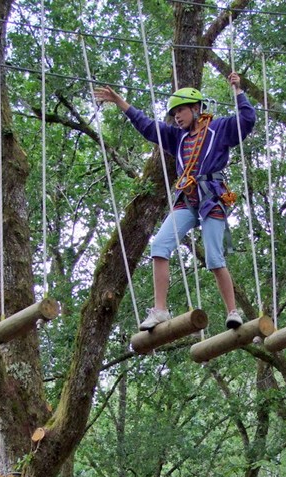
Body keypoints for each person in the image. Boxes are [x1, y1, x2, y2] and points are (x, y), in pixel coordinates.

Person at [93, 72, 256, 332]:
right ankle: (160, 310)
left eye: (181, 111)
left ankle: (232, 311)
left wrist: (238, 91)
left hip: (211, 197)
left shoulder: (219, 128)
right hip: (187, 199)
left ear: (196, 108)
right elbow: (147, 126)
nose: (177, 117)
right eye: (174, 114)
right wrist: (121, 102)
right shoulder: (177, 137)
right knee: (159, 245)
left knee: (214, 257)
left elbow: (246, 121)